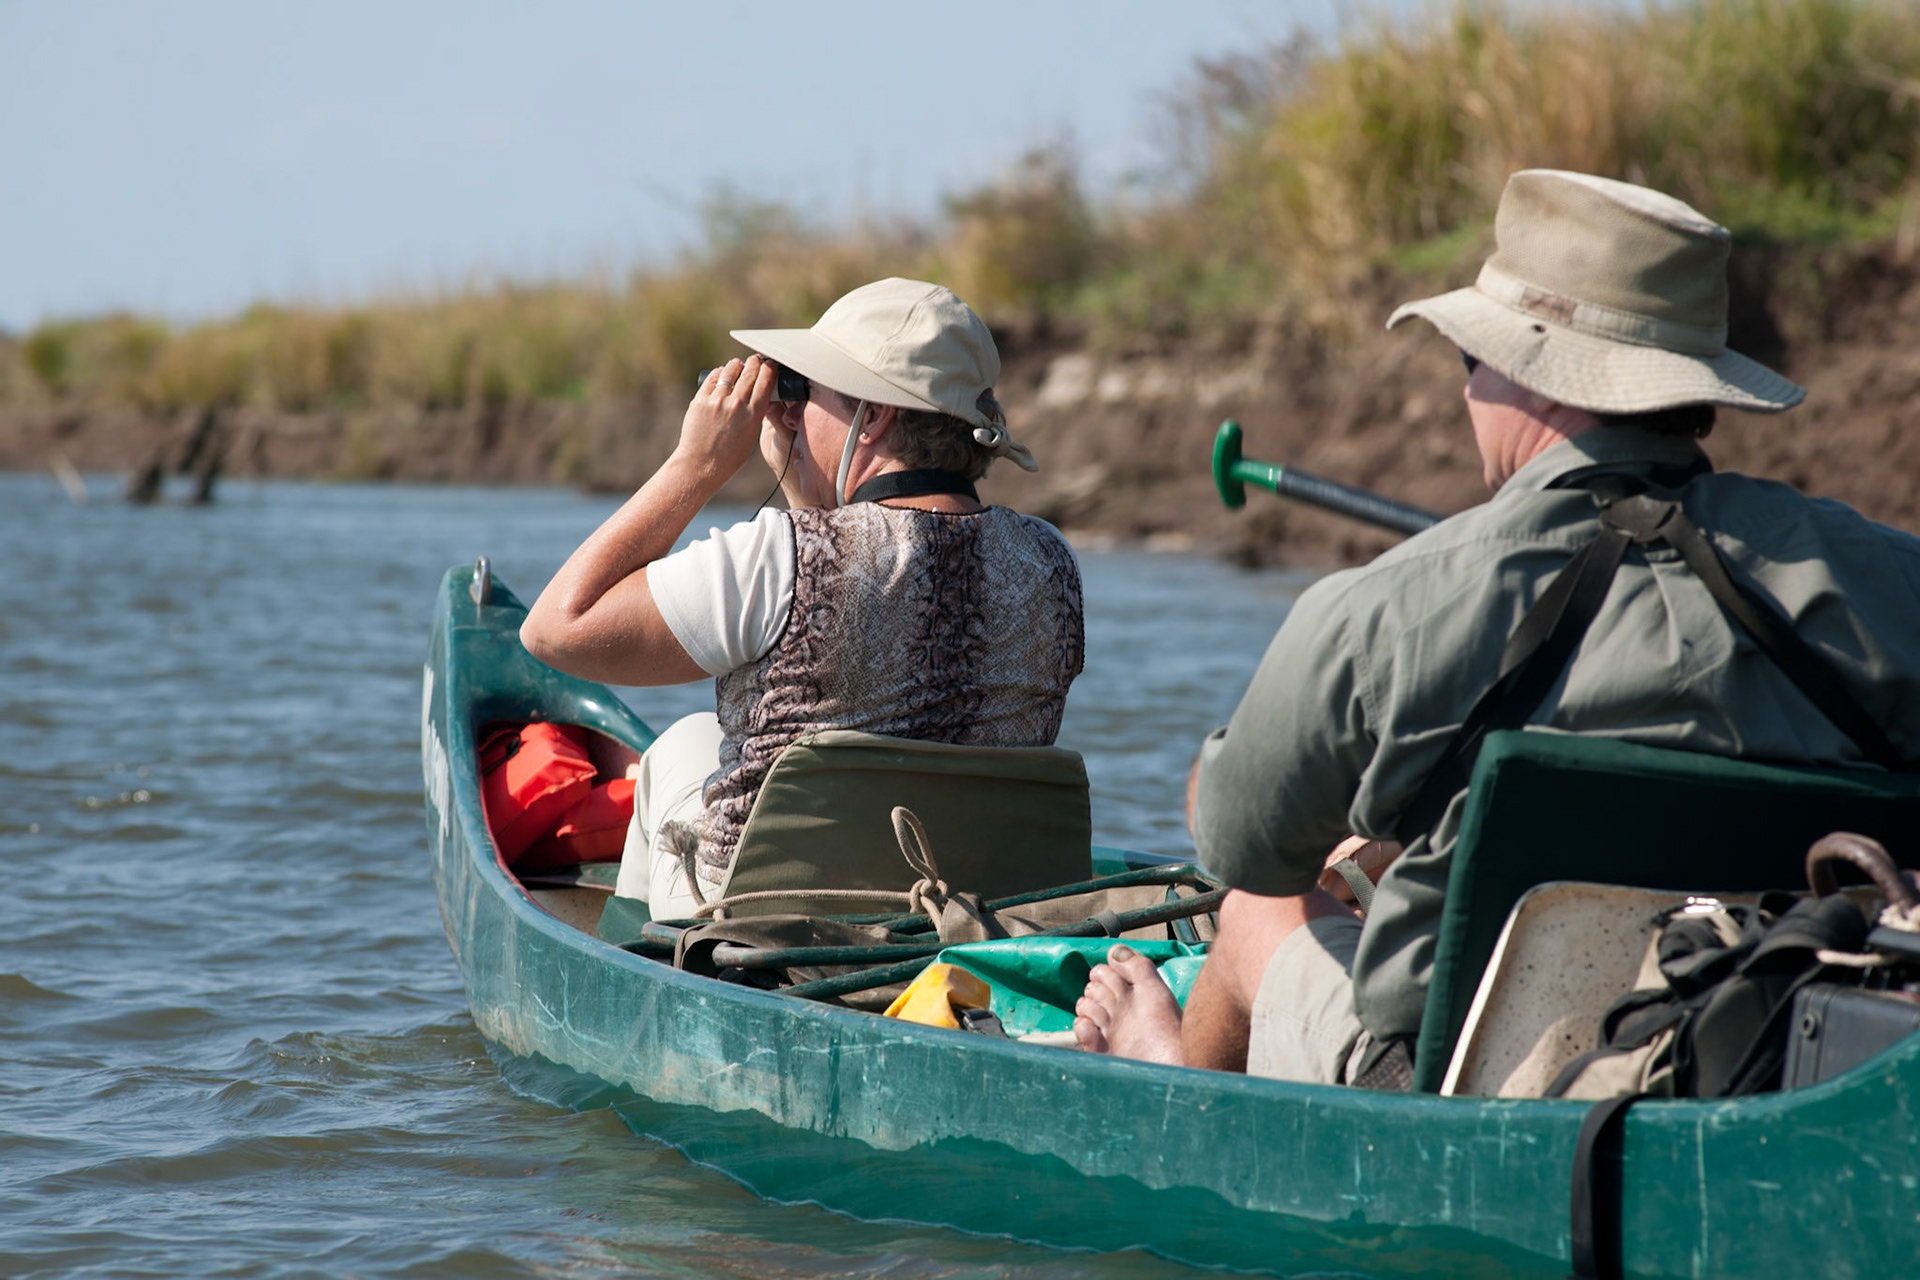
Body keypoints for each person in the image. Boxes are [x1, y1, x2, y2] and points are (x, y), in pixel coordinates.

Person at [1075, 169, 1920, 1085]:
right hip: (1773, 1042)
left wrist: (1230, 782)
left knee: (1251, 912)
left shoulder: (1393, 602)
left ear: (1525, 372)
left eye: (1467, 361)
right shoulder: (1886, 576)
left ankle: (1162, 1067)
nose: (1467, 392)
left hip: (1467, 1089)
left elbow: (1241, 845)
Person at [522, 278, 1084, 917]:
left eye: (803, 394)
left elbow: (555, 630)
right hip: (971, 909)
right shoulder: (1049, 560)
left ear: (874, 418)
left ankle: (637, 977)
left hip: (767, 921)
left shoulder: (781, 555)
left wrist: (695, 467)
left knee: (680, 745)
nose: (786, 413)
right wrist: (806, 485)